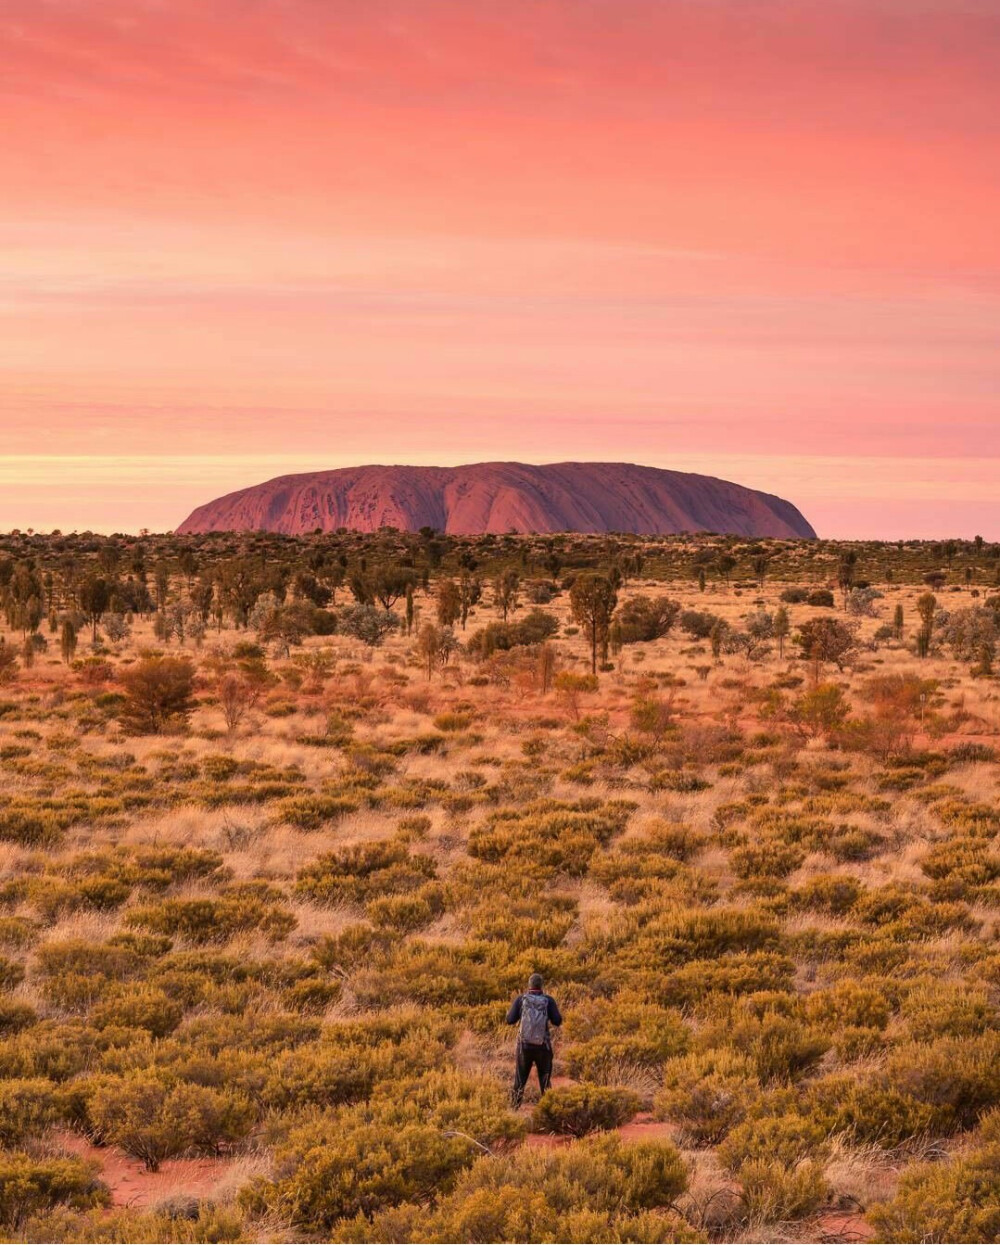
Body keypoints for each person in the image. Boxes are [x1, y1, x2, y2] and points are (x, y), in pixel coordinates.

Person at [506, 972, 562, 1108]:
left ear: (529, 985)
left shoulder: (521, 1000)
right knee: (545, 1080)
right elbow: (557, 1021)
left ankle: (513, 1111)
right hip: (543, 1046)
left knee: (519, 1081)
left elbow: (510, 1020)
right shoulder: (548, 1000)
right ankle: (549, 1111)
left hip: (524, 1047)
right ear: (542, 986)